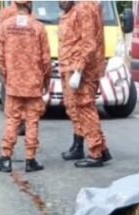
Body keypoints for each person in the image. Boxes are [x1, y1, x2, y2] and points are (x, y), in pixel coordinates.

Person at [0, 0, 50, 174]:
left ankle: (5, 158)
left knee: (12, 120)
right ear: (30, 5)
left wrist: (7, 77)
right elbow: (46, 60)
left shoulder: (5, 26)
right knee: (32, 121)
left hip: (14, 83)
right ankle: (30, 160)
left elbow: (0, 57)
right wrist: (45, 82)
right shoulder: (38, 27)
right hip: (33, 83)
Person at [70, 0, 111, 168]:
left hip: (86, 69)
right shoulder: (93, 5)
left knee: (86, 110)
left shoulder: (84, 7)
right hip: (92, 66)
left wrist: (78, 70)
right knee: (89, 109)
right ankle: (102, 149)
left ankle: (95, 153)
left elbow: (88, 43)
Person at [56, 0, 83, 161]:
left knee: (76, 107)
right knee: (70, 107)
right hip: (65, 66)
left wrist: (78, 70)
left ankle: (79, 145)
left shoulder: (77, 15)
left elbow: (82, 43)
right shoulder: (64, 16)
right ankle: (75, 142)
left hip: (73, 67)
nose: (61, 1)